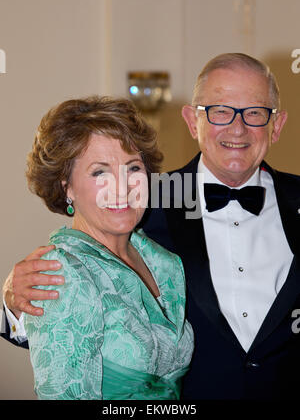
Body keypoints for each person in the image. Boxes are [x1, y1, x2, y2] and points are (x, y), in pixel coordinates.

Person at [2, 52, 300, 400]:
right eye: (220, 111)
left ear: (277, 125)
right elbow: (72, 329)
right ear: (192, 121)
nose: (237, 128)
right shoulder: (144, 200)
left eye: (255, 113)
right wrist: (12, 304)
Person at [1, 95, 193, 400]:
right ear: (67, 186)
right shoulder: (63, 271)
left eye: (132, 168)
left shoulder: (163, 261)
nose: (121, 187)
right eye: (99, 172)